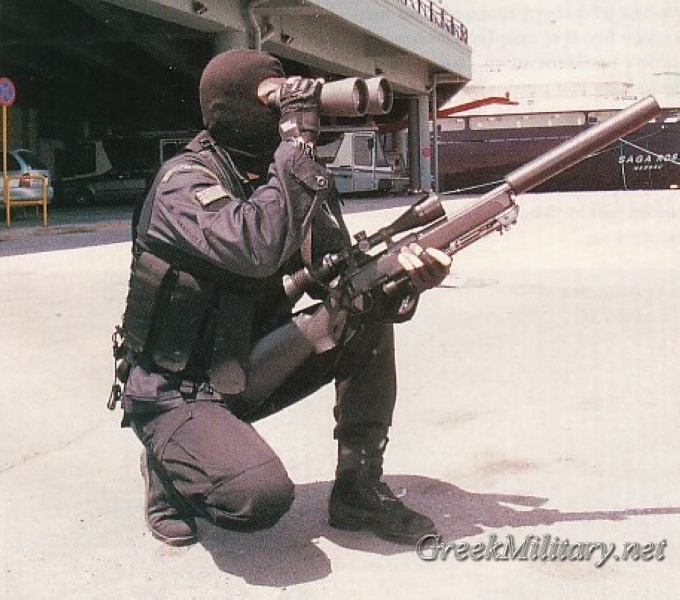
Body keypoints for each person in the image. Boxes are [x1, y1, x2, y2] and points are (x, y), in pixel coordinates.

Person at [115, 49, 452, 547]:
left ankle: (358, 488)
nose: (285, 112)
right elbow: (254, 247)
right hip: (175, 387)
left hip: (243, 363)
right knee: (259, 497)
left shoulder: (289, 175)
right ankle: (169, 465)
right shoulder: (182, 181)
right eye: (272, 99)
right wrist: (296, 145)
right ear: (230, 108)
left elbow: (344, 279)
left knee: (362, 311)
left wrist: (402, 284)